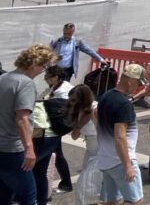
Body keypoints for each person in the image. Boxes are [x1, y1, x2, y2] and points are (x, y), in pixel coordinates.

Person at [0, 45, 55, 205]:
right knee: (28, 195)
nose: (42, 71)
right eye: (43, 67)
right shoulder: (26, 84)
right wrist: (29, 149)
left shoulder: (3, 78)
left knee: (4, 193)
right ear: (34, 63)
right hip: (13, 149)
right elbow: (22, 118)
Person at [95, 63, 147, 205]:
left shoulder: (106, 96)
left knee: (113, 201)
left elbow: (95, 114)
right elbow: (120, 137)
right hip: (121, 160)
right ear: (130, 79)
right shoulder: (124, 104)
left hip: (105, 159)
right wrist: (128, 166)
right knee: (135, 200)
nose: (139, 87)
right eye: (138, 82)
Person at [32, 65, 72, 203]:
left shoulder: (63, 91)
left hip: (53, 129)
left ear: (56, 77)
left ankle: (66, 183)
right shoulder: (56, 87)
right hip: (53, 129)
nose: (45, 79)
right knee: (47, 165)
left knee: (54, 159)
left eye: (48, 77)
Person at [67, 84, 100, 205]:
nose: (71, 103)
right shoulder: (79, 111)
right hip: (90, 152)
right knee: (91, 189)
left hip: (101, 153)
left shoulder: (95, 109)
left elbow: (106, 132)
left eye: (74, 100)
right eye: (70, 99)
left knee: (87, 187)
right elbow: (74, 136)